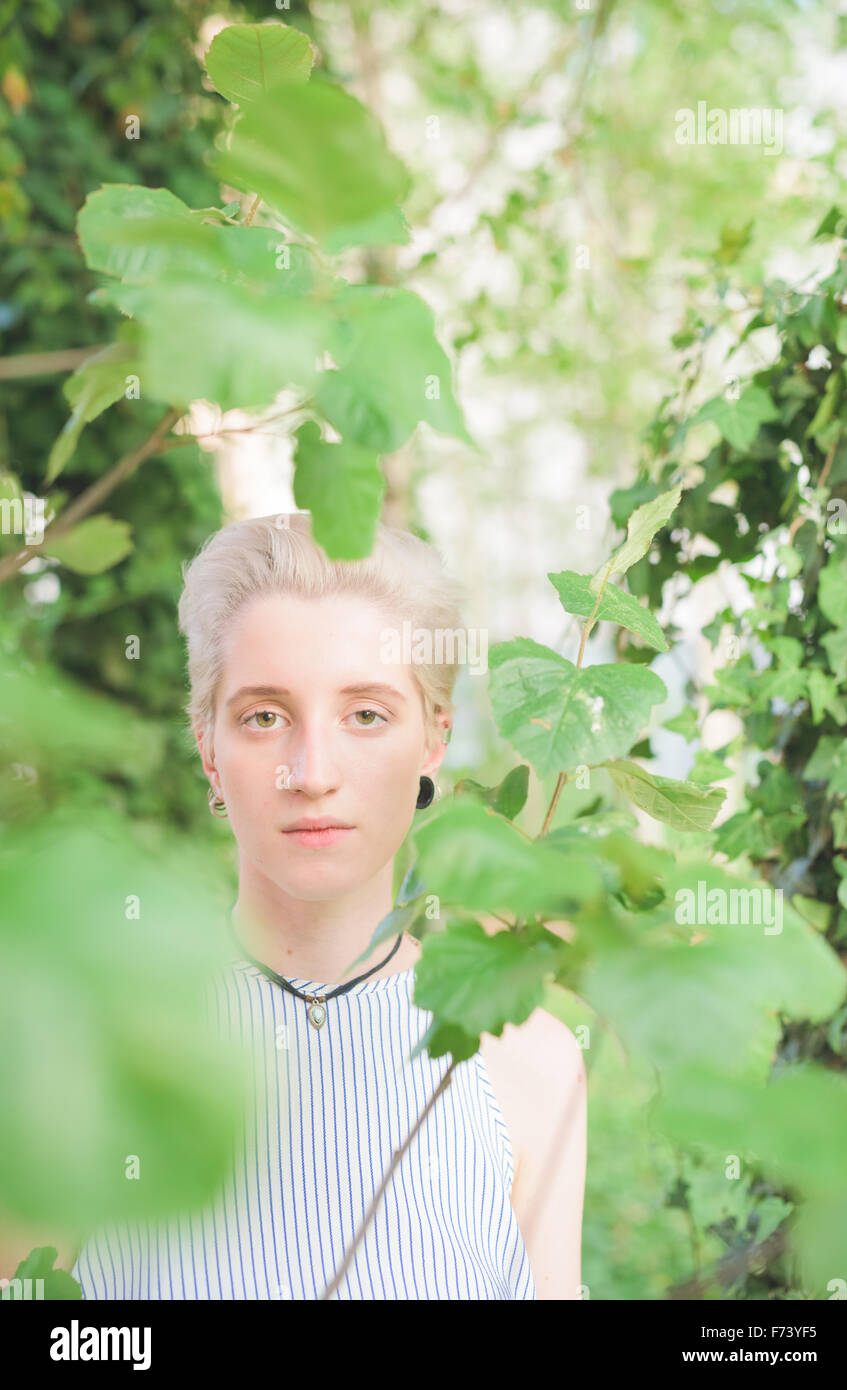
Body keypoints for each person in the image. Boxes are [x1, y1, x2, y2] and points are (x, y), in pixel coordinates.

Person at [69, 511, 586, 1300]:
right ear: (209, 747)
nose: (311, 772)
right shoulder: (85, 1045)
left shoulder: (529, 1060)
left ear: (432, 741)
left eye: (366, 715)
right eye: (265, 717)